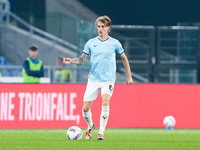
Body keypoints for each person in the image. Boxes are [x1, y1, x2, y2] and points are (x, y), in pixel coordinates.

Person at [63, 15, 133, 140]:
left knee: (105, 102)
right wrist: (71, 61)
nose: (100, 29)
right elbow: (81, 60)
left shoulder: (114, 43)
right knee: (85, 108)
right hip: (93, 79)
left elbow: (124, 58)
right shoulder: (91, 43)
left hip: (108, 79)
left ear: (108, 28)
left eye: (102, 27)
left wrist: (129, 76)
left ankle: (101, 133)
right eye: (98, 27)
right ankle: (90, 126)